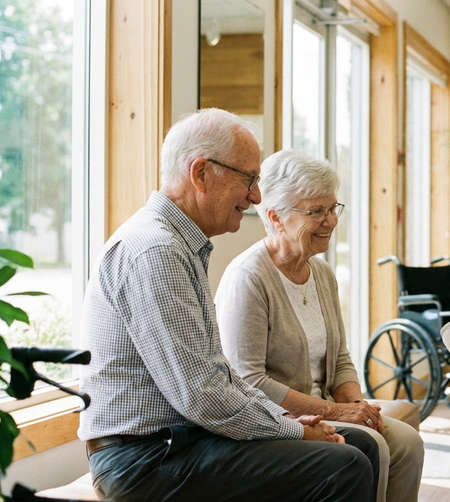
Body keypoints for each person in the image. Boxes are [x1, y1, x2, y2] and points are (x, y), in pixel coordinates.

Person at [77, 108, 379, 502]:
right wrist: (294, 428)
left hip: (182, 441)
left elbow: (220, 378)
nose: (255, 195)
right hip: (145, 459)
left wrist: (284, 420)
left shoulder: (180, 247)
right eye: (248, 179)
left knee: (361, 447)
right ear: (201, 173)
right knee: (345, 464)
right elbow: (201, 395)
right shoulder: (156, 252)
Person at [215, 149, 424, 502]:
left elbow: (339, 356)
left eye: (332, 208)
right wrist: (335, 411)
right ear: (275, 217)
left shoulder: (322, 273)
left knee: (407, 443)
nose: (330, 221)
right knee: (374, 446)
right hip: (280, 421)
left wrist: (358, 406)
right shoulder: (247, 278)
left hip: (325, 408)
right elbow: (247, 381)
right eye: (316, 212)